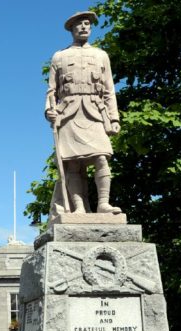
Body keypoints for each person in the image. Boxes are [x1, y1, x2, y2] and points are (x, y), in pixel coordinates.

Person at [45, 11, 121, 217]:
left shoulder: (101, 55)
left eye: (87, 24)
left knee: (102, 158)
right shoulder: (59, 56)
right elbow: (51, 91)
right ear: (72, 29)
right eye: (79, 24)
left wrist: (114, 118)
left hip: (95, 112)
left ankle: (103, 204)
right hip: (68, 114)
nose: (84, 27)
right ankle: (79, 207)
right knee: (73, 164)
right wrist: (49, 111)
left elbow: (109, 90)